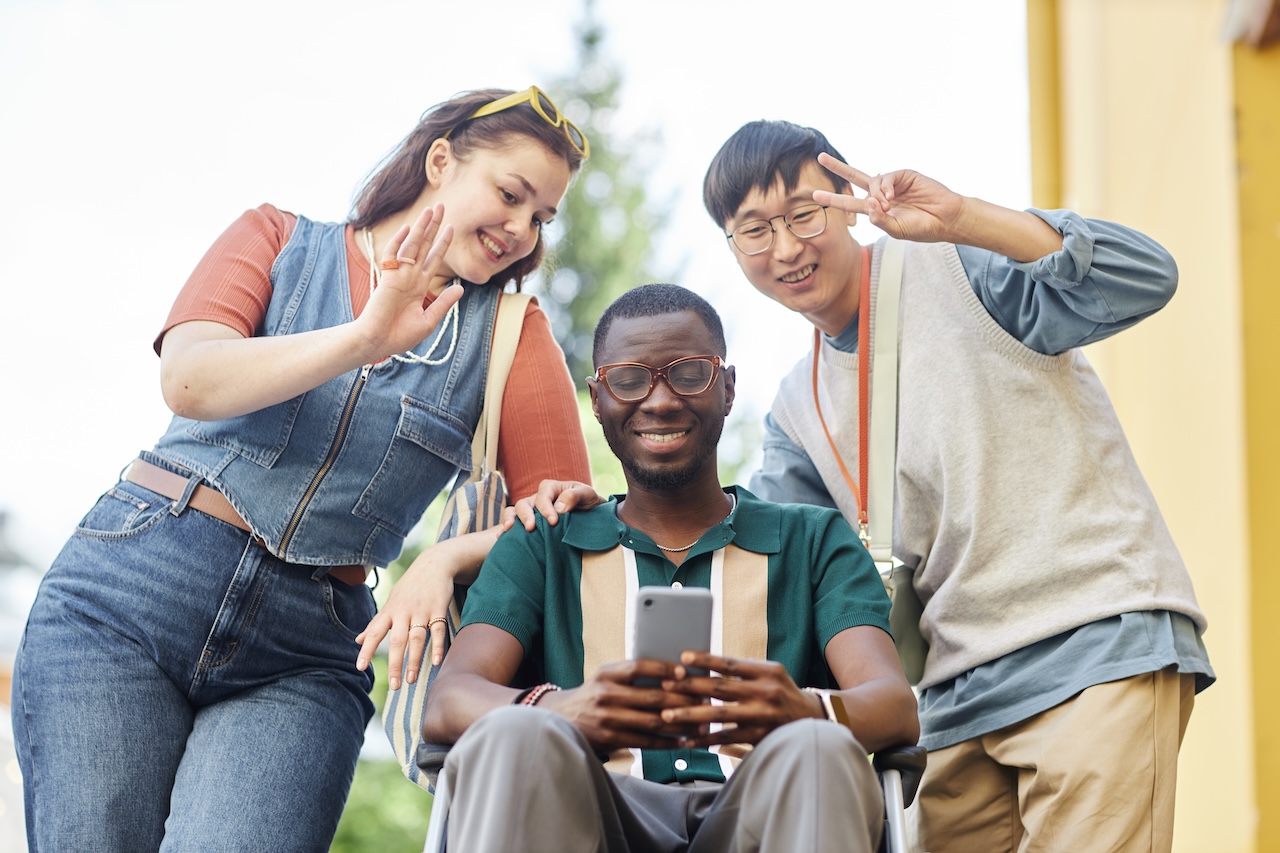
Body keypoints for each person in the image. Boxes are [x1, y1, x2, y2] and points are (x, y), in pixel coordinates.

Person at [532, 121, 1215, 852]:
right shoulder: (798, 406)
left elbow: (1146, 276)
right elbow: (750, 546)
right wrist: (495, 547)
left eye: (805, 213)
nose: (787, 248)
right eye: (754, 230)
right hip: (958, 693)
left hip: (1090, 642)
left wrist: (961, 216)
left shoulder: (955, 265)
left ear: (848, 202)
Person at [11, 86, 593, 853]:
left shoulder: (513, 336)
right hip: (131, 594)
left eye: (542, 217)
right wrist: (363, 338)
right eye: (511, 195)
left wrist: (443, 559)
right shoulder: (277, 238)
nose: (522, 229)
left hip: (307, 655)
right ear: (442, 160)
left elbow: (567, 519)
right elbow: (189, 378)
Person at [423, 283, 918, 853]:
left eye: (688, 374)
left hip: (763, 815)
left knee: (817, 745)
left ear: (727, 388)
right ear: (598, 399)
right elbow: (449, 700)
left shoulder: (814, 540)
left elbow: (895, 704)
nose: (659, 401)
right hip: (593, 814)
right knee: (517, 733)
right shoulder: (542, 544)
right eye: (629, 380)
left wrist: (805, 709)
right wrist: (562, 708)